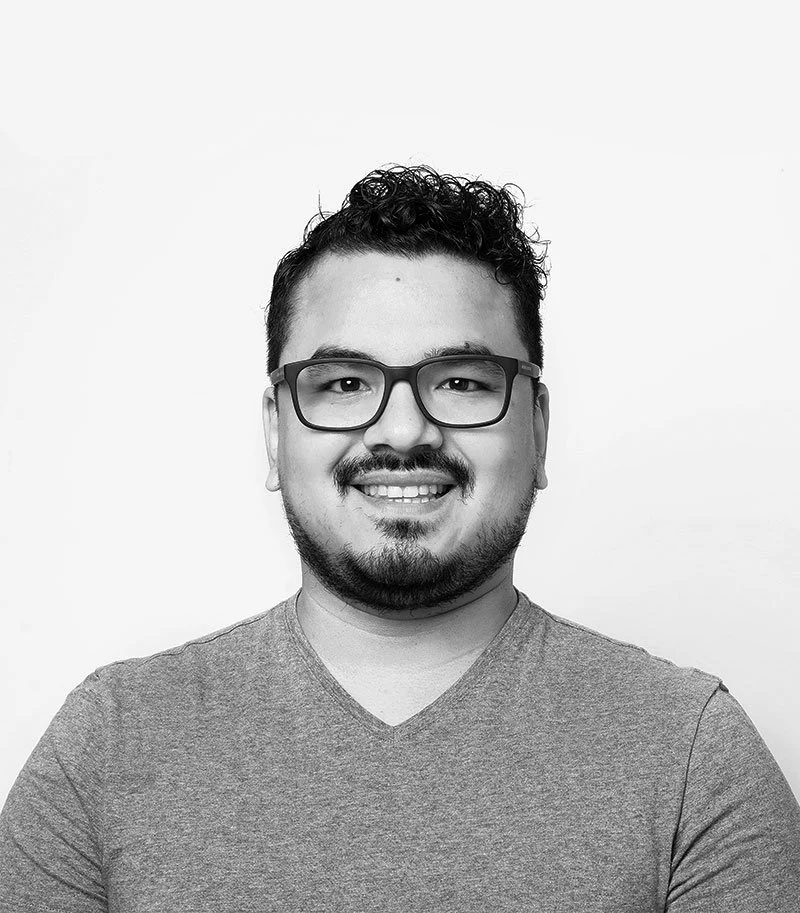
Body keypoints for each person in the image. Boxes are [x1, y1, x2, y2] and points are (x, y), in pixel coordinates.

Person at [1, 165, 798, 912]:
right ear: (276, 434)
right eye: (345, 383)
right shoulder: (109, 741)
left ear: (538, 430)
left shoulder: (692, 754)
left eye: (463, 381)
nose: (404, 429)